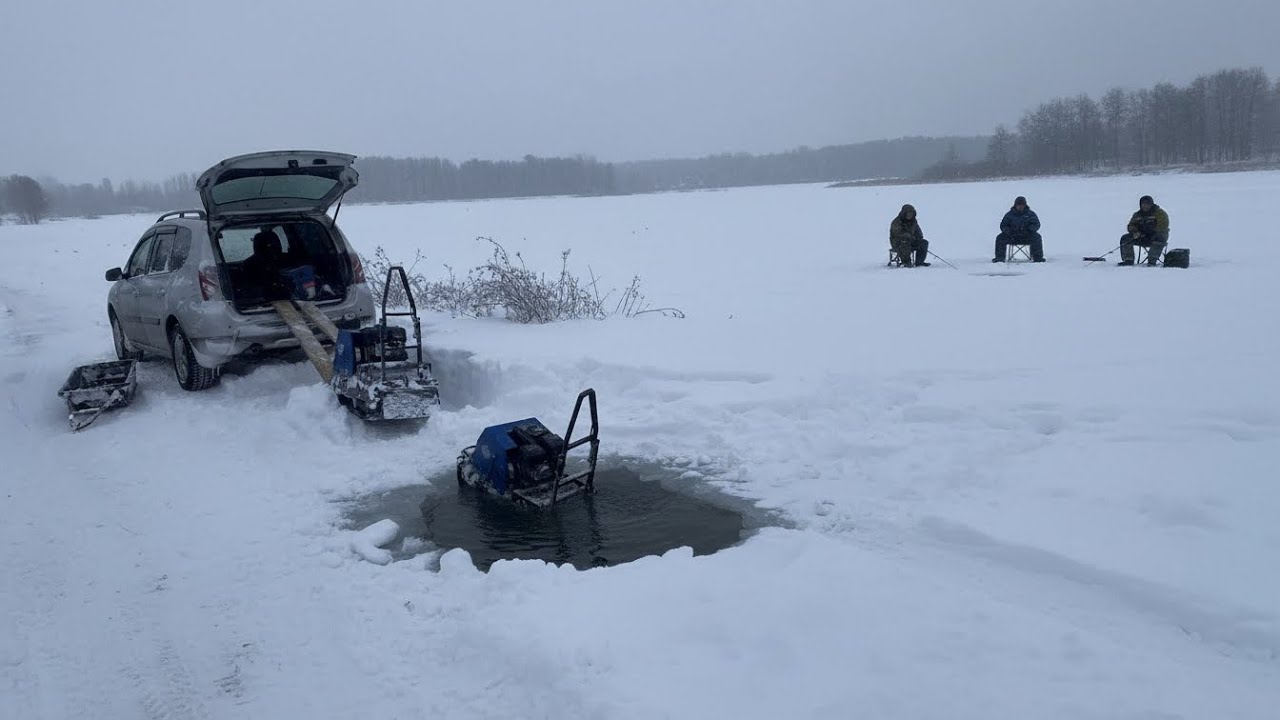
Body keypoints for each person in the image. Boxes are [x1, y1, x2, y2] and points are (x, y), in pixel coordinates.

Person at [1118, 195, 1170, 266]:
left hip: (1157, 237)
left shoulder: (1160, 213)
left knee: (1159, 236)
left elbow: (1163, 226)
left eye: (1147, 204)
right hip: (1142, 237)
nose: (1145, 206)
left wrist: (1150, 231)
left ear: (1151, 204)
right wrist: (1135, 232)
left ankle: (1152, 261)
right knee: (1125, 238)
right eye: (1143, 204)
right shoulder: (1137, 215)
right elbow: (1131, 226)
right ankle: (1128, 260)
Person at [242, 228, 290, 300]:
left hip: (296, 298)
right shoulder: (249, 265)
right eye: (268, 246)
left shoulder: (288, 259)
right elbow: (251, 292)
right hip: (265, 301)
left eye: (275, 245)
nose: (272, 250)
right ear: (259, 247)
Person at [993, 195, 1044, 262]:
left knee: (1037, 237)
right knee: (1000, 238)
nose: (1020, 206)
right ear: (1015, 205)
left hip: (1027, 236)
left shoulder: (1031, 214)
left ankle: (1038, 258)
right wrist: (1008, 231)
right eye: (1018, 205)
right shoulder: (1009, 215)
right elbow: (1003, 225)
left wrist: (1030, 229)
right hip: (1012, 237)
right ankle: (999, 258)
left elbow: (1036, 224)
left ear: (1025, 205)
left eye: (1022, 205)